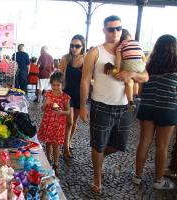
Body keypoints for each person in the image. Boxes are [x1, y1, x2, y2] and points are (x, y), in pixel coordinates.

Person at [80, 15, 149, 194]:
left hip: (124, 106)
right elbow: (85, 80)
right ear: (104, 30)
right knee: (98, 144)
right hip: (100, 105)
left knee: (120, 144)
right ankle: (97, 177)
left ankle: (99, 158)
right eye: (111, 29)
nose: (115, 32)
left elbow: (145, 76)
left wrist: (131, 75)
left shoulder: (131, 49)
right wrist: (82, 106)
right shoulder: (95, 52)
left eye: (118, 28)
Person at [134, 34, 177, 189]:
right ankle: (158, 181)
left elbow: (140, 90)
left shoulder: (149, 67)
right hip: (168, 109)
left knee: (144, 142)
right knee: (162, 146)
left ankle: (137, 177)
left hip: (148, 107)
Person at [38, 71, 71, 175]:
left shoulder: (65, 97)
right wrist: (45, 104)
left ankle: (55, 164)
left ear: (62, 84)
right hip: (48, 122)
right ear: (50, 84)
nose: (55, 87)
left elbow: (68, 111)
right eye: (53, 85)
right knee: (47, 143)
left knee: (56, 145)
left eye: (58, 85)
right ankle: (48, 160)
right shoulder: (48, 94)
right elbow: (42, 109)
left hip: (58, 125)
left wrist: (61, 112)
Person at [59, 34, 85, 159]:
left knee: (74, 122)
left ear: (82, 46)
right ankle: (65, 148)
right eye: (72, 45)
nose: (74, 48)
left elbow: (91, 77)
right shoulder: (66, 58)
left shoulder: (86, 59)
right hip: (67, 93)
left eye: (77, 46)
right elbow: (58, 75)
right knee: (69, 122)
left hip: (80, 94)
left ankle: (69, 141)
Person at [110, 29, 146, 111]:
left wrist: (117, 69)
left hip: (130, 66)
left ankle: (131, 101)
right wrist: (143, 65)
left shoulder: (121, 46)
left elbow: (118, 61)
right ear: (129, 36)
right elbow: (143, 57)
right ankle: (136, 95)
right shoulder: (137, 43)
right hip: (140, 65)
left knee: (129, 81)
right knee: (135, 79)